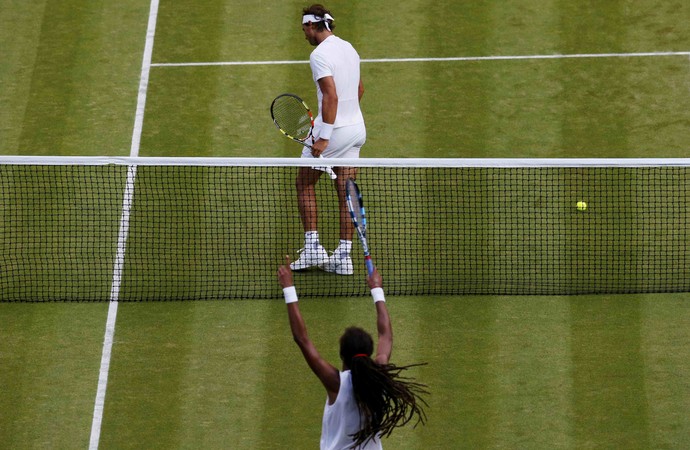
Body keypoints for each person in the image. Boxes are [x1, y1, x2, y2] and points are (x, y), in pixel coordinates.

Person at [277, 256, 428, 449]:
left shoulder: (335, 383)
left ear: (342, 356)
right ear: (369, 352)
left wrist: (288, 288)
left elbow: (302, 339)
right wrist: (376, 289)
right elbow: (386, 335)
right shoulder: (379, 375)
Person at [290, 4, 366, 276]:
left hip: (332, 132)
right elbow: (359, 89)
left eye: (304, 29)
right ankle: (343, 256)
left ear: (312, 26)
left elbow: (331, 96)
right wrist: (345, 121)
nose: (304, 35)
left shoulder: (319, 54)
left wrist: (324, 137)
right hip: (356, 128)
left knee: (304, 183)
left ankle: (313, 248)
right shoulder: (349, 48)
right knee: (345, 191)